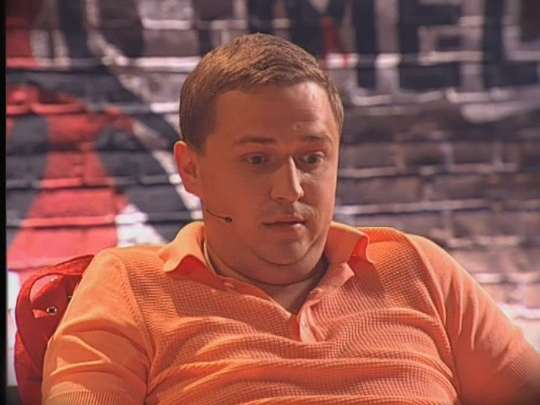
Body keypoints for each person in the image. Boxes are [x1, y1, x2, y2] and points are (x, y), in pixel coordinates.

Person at [42, 33, 539, 404]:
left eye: (312, 158)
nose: (291, 189)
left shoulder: (416, 267)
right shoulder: (130, 285)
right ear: (191, 170)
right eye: (257, 160)